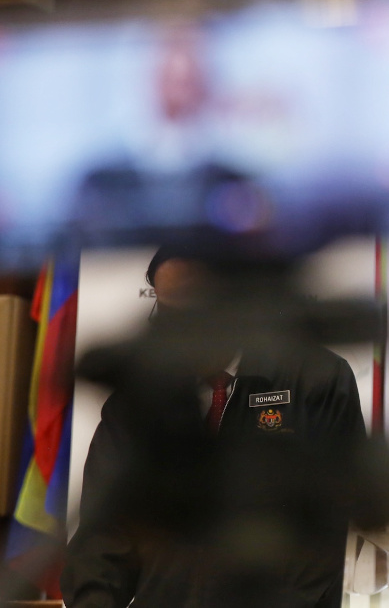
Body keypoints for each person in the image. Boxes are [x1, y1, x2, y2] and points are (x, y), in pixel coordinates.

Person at [61, 247, 371, 607]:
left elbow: (326, 530)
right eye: (167, 311)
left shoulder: (318, 378)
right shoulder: (140, 397)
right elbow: (104, 536)